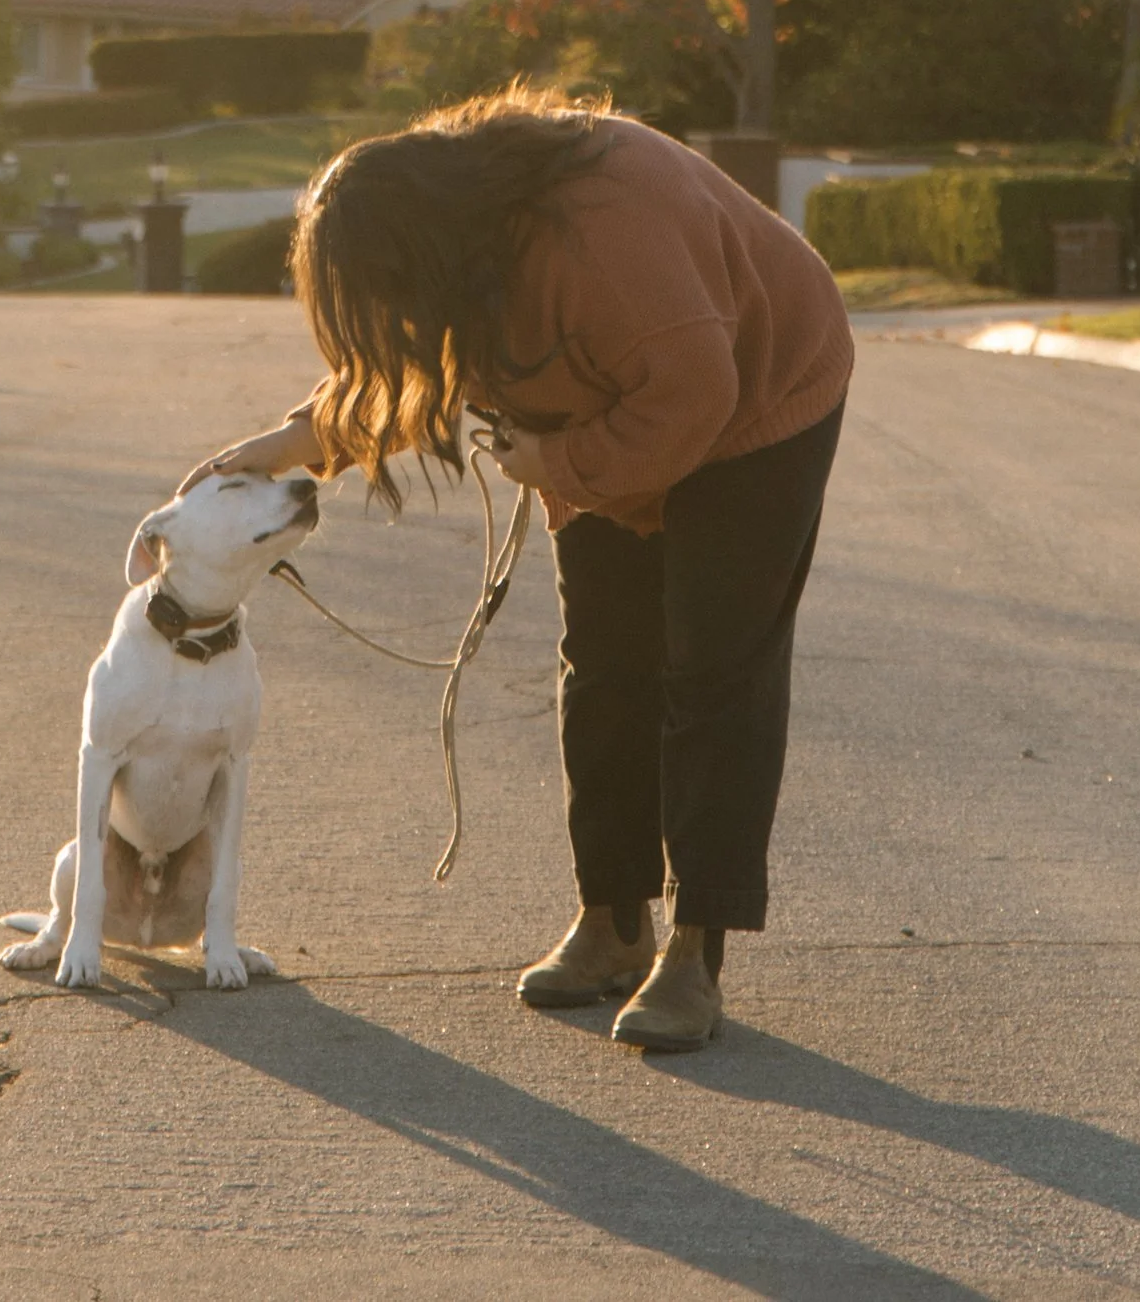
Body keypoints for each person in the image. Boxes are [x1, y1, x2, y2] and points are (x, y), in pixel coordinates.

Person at [188, 86, 853, 1052]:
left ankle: (696, 952)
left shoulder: (601, 230)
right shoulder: (457, 237)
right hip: (610, 413)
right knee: (604, 664)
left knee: (713, 668)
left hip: (756, 398)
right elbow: (420, 373)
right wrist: (289, 445)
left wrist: (563, 468)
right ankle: (615, 923)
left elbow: (697, 391)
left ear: (432, 249)